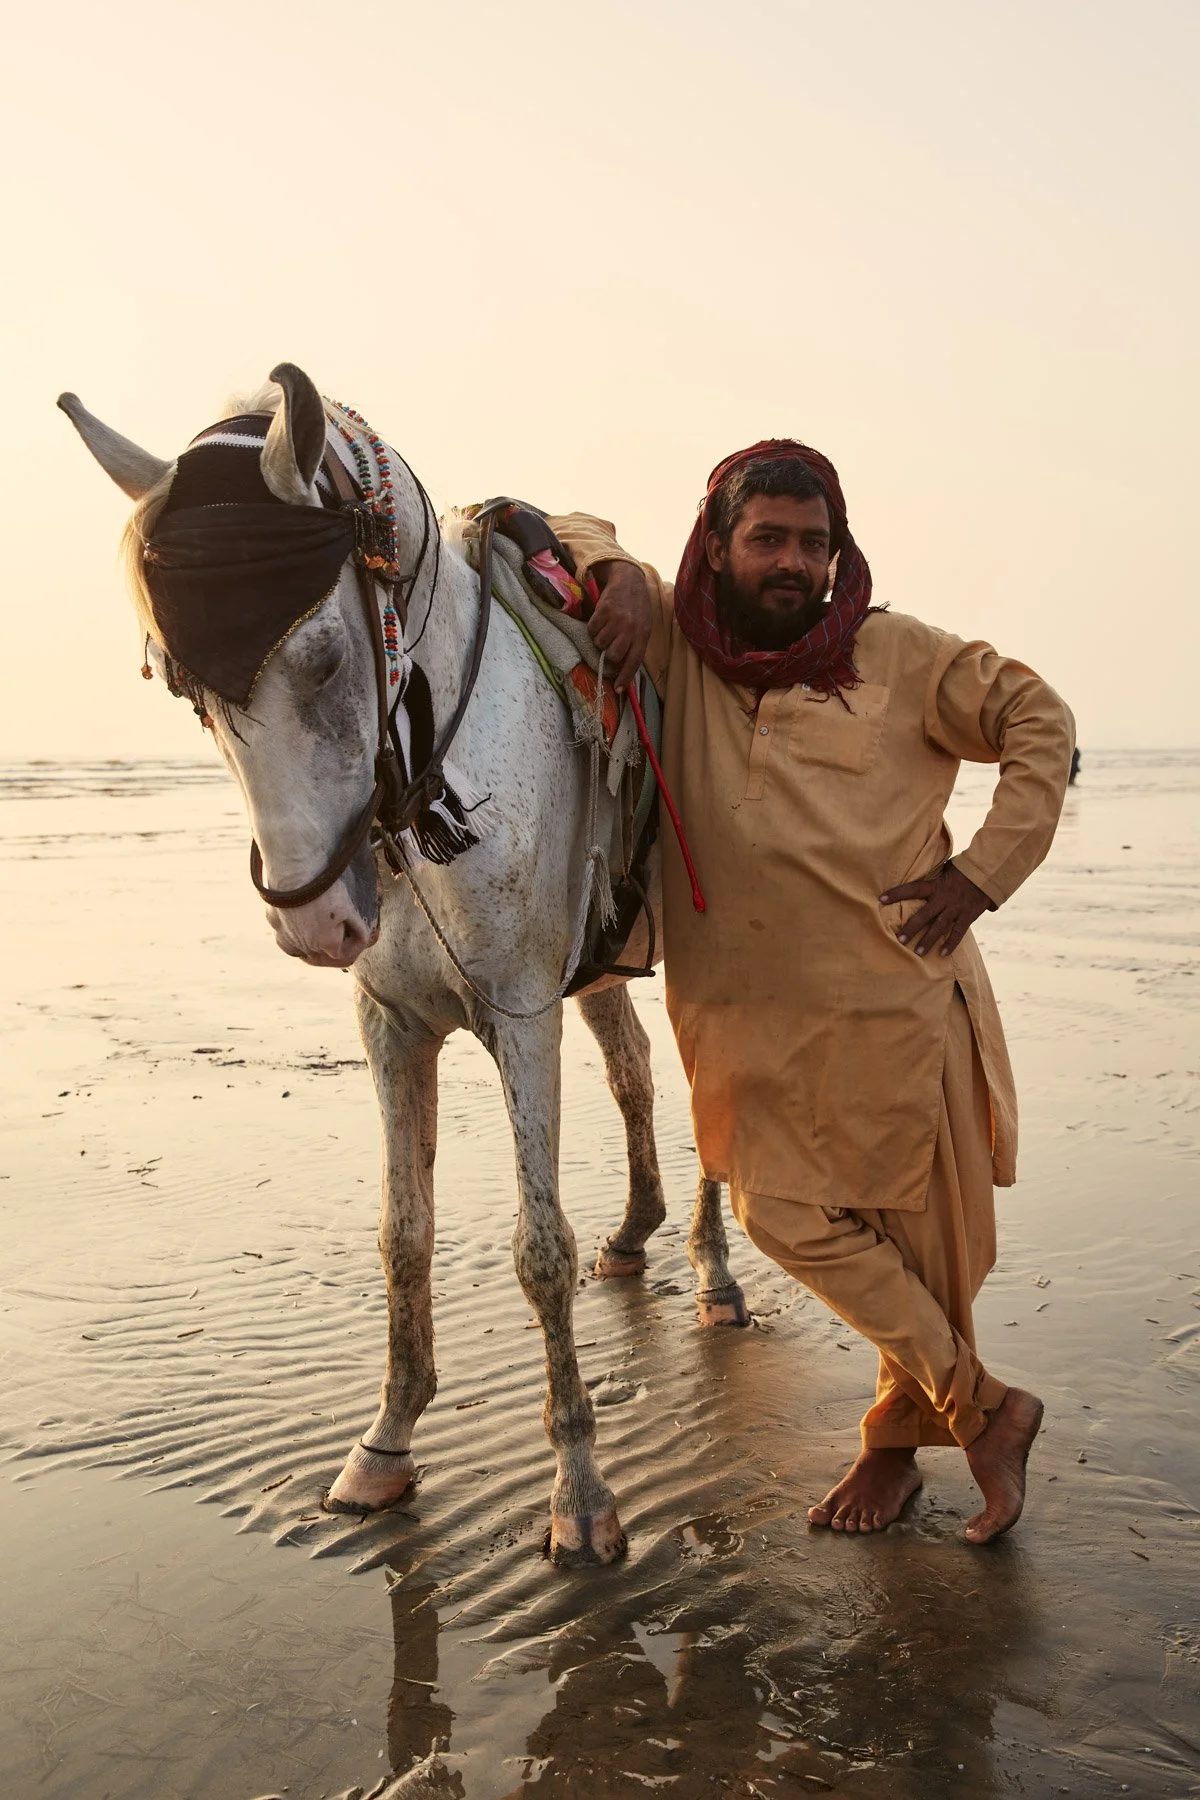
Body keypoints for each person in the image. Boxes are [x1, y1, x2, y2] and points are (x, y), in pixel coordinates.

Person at [545, 441, 1074, 1544]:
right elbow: (549, 521)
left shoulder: (900, 655)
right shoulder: (679, 658)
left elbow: (1040, 722)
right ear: (718, 545)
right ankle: (987, 1414)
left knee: (920, 1254)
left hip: (900, 1010)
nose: (795, 565)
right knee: (778, 1213)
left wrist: (982, 874)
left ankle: (896, 1447)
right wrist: (624, 577)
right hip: (740, 1025)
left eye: (815, 545)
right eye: (769, 540)